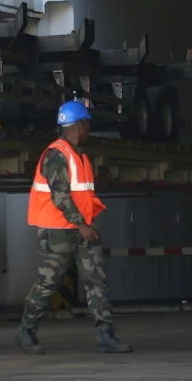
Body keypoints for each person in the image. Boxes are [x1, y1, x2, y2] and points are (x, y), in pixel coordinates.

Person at [16, 100, 131, 355]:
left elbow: (82, 195)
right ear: (80, 125)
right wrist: (81, 225)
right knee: (48, 282)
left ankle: (106, 336)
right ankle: (27, 329)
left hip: (82, 229)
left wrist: (86, 224)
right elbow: (61, 196)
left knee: (96, 280)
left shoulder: (79, 156)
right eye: (88, 124)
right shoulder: (56, 155)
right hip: (58, 230)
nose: (89, 130)